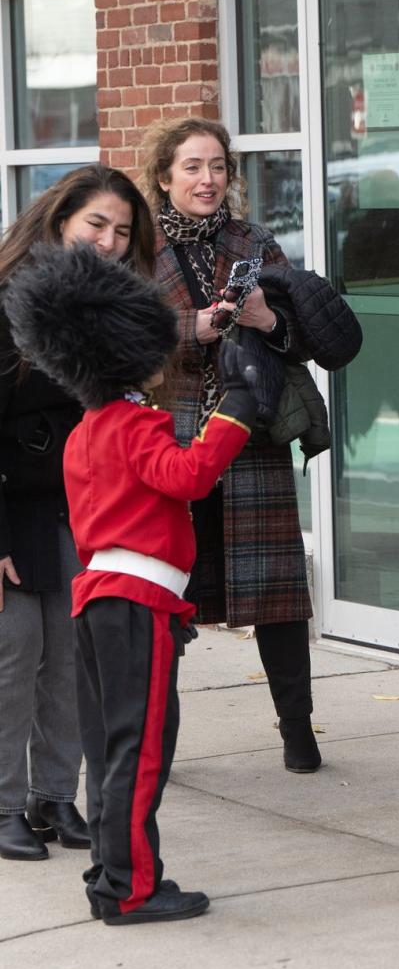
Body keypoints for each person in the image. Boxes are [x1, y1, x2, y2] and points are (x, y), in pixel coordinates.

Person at [4, 241, 259, 923]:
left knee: (116, 748)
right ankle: (129, 889)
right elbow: (189, 476)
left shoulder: (86, 428)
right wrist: (236, 407)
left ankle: (110, 876)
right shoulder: (133, 422)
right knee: (137, 751)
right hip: (135, 603)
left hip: (104, 600)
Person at [139, 117, 361, 774]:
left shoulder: (252, 240)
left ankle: (299, 732)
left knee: (277, 595)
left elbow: (299, 335)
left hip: (250, 431)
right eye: (193, 168)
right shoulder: (136, 246)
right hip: (168, 436)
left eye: (217, 167)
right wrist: (191, 328)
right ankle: (157, 743)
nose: (208, 180)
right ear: (163, 176)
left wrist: (267, 318)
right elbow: (115, 335)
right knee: (164, 598)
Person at [0, 164, 155, 861]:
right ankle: (3, 802)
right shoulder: (7, 297)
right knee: (15, 651)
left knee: (68, 657)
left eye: (121, 231)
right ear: (61, 218)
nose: (108, 241)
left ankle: (55, 795)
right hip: (9, 505)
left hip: (75, 505)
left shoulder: (106, 305)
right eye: (96, 224)